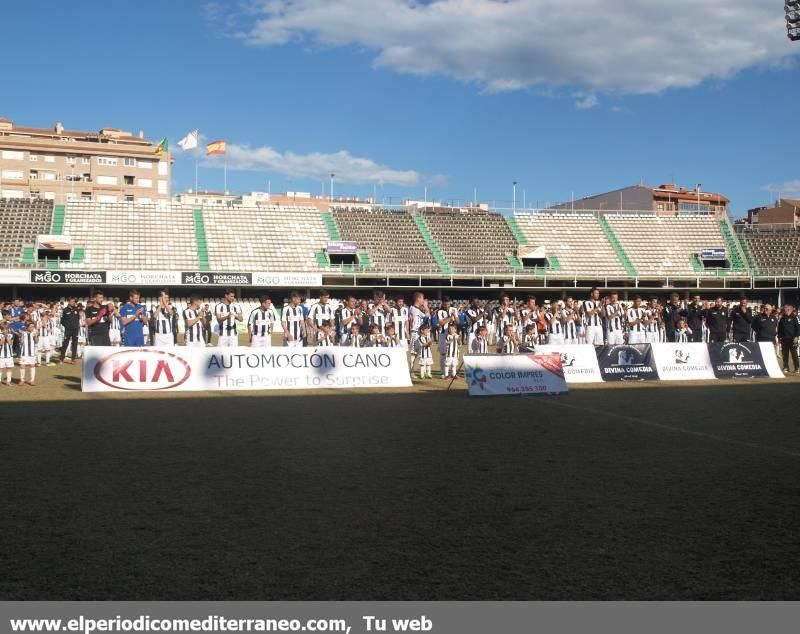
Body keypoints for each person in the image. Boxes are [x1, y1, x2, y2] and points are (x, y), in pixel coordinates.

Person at [778, 304, 800, 373]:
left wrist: (796, 336)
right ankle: (786, 367)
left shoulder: (794, 317)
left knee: (794, 354)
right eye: (784, 310)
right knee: (785, 354)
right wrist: (779, 337)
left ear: (790, 310)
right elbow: (779, 329)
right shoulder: (782, 318)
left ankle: (797, 368)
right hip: (784, 339)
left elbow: (798, 328)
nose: (785, 311)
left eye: (786, 309)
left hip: (793, 339)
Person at [59, 297, 80, 363]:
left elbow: (78, 318)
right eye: (72, 301)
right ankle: (61, 358)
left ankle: (73, 359)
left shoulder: (76, 310)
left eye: (74, 301)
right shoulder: (65, 310)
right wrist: (67, 325)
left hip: (75, 330)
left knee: (74, 344)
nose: (74, 303)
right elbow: (62, 320)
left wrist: (76, 326)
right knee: (65, 343)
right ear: (69, 302)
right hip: (68, 330)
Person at [18, 320, 38, 386]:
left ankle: (32, 380)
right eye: (30, 327)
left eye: (33, 327)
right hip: (24, 353)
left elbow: (36, 342)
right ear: (27, 327)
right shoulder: (24, 333)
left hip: (32, 353)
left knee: (32, 365)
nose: (32, 328)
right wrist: (22, 335)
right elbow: (21, 342)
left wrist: (36, 336)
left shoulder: (34, 333)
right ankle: (22, 380)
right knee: (22, 366)